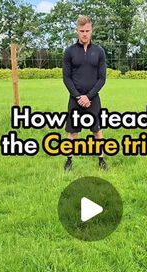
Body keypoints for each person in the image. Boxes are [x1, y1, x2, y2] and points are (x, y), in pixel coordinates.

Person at [63, 15, 107, 171]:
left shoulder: (99, 52)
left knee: (97, 130)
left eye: (87, 30)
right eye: (82, 31)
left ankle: (101, 160)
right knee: (73, 132)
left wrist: (88, 97)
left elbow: (102, 78)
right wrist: (78, 97)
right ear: (77, 31)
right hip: (75, 99)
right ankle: (69, 161)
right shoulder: (69, 52)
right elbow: (66, 78)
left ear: (91, 30)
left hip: (93, 99)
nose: (85, 34)